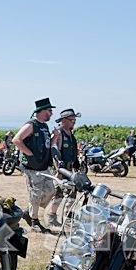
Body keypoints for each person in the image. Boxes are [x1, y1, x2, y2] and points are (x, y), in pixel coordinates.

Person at [13, 98, 58, 233]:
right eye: (49, 111)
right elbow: (16, 140)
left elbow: (47, 145)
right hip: (32, 167)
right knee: (35, 194)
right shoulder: (31, 125)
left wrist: (55, 137)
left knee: (51, 190)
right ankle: (34, 221)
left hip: (43, 165)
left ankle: (29, 211)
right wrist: (30, 154)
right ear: (42, 111)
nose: (51, 113)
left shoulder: (44, 126)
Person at [48, 108, 81, 227]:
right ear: (64, 120)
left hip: (70, 169)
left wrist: (76, 165)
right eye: (72, 120)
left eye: (74, 120)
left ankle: (68, 217)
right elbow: (54, 152)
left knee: (73, 193)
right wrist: (58, 171)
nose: (74, 122)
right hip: (61, 170)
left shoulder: (71, 134)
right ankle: (52, 217)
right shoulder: (59, 133)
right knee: (59, 193)